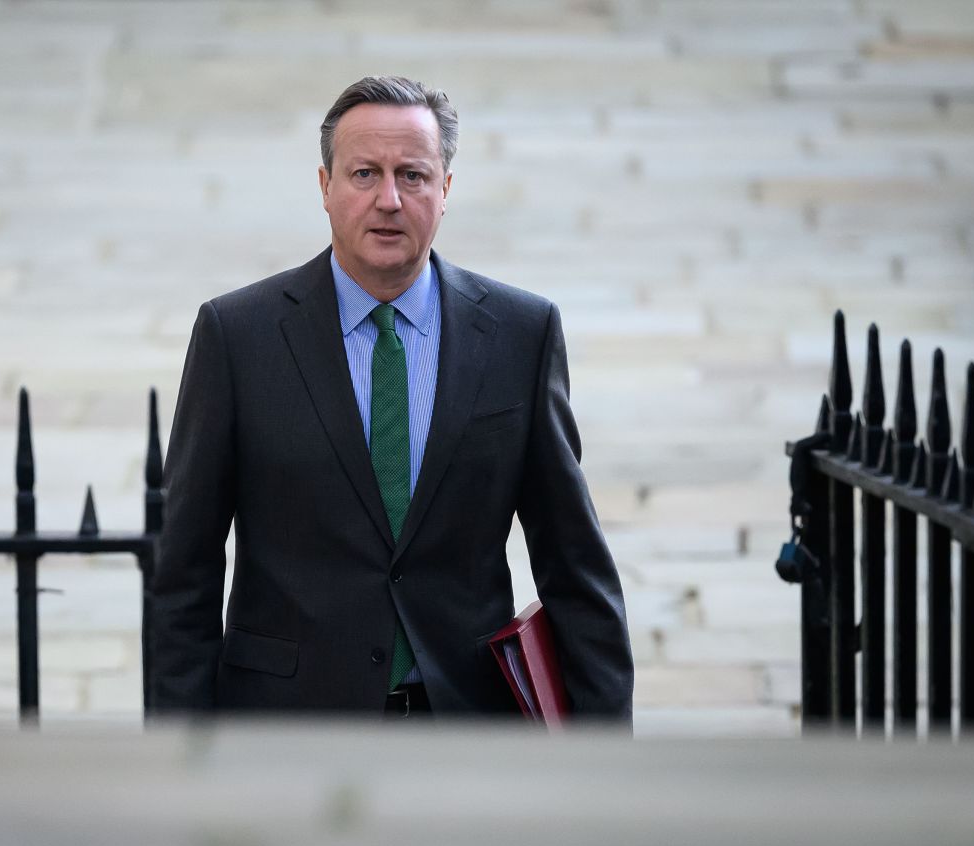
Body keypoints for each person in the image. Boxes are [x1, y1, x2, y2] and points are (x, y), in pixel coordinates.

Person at [150, 75, 632, 720]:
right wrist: (181, 759)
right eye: (363, 174)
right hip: (288, 730)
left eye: (412, 176)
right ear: (324, 187)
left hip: (466, 728)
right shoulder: (238, 336)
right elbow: (185, 573)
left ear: (446, 190)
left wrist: (605, 758)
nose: (389, 200)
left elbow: (575, 567)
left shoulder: (522, 334)